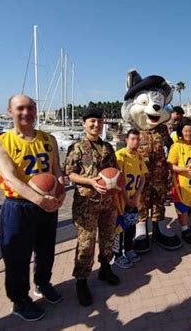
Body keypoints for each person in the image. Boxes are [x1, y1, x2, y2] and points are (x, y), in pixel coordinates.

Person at [0, 94, 65, 321]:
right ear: (9, 111)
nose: (26, 113)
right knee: (17, 257)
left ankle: (43, 283)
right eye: (20, 108)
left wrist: (60, 191)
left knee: (46, 250)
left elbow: (57, 171)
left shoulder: (48, 139)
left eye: (31, 108)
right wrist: (38, 199)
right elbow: (11, 178)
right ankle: (19, 300)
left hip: (46, 204)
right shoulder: (1, 143)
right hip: (19, 205)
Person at [64, 107, 120, 307]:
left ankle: (105, 268)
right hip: (86, 203)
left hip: (108, 202)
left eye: (99, 121)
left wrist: (116, 185)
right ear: (84, 124)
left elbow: (115, 171)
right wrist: (90, 181)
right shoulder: (76, 148)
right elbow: (70, 174)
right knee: (86, 243)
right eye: (92, 122)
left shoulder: (108, 148)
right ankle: (81, 280)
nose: (96, 125)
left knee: (108, 238)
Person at [113, 129, 148, 269]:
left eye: (137, 139)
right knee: (119, 228)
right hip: (121, 199)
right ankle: (117, 255)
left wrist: (137, 195)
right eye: (132, 139)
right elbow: (118, 181)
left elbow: (143, 178)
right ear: (126, 139)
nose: (135, 142)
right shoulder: (120, 156)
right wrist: (127, 199)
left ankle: (128, 249)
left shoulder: (138, 157)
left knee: (131, 225)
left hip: (134, 198)